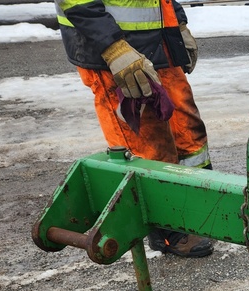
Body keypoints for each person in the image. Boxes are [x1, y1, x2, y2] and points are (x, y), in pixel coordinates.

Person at [54, 0, 214, 258]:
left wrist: (178, 23)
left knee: (188, 131)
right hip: (112, 49)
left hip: (159, 39)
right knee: (149, 145)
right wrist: (113, 47)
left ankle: (204, 207)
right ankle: (166, 230)